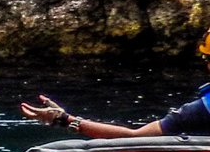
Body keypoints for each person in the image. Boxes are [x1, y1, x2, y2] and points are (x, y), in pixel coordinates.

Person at [20, 28, 210, 137]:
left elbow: (134, 137)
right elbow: (135, 137)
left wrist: (65, 120)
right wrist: (65, 119)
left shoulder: (200, 110)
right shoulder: (199, 110)